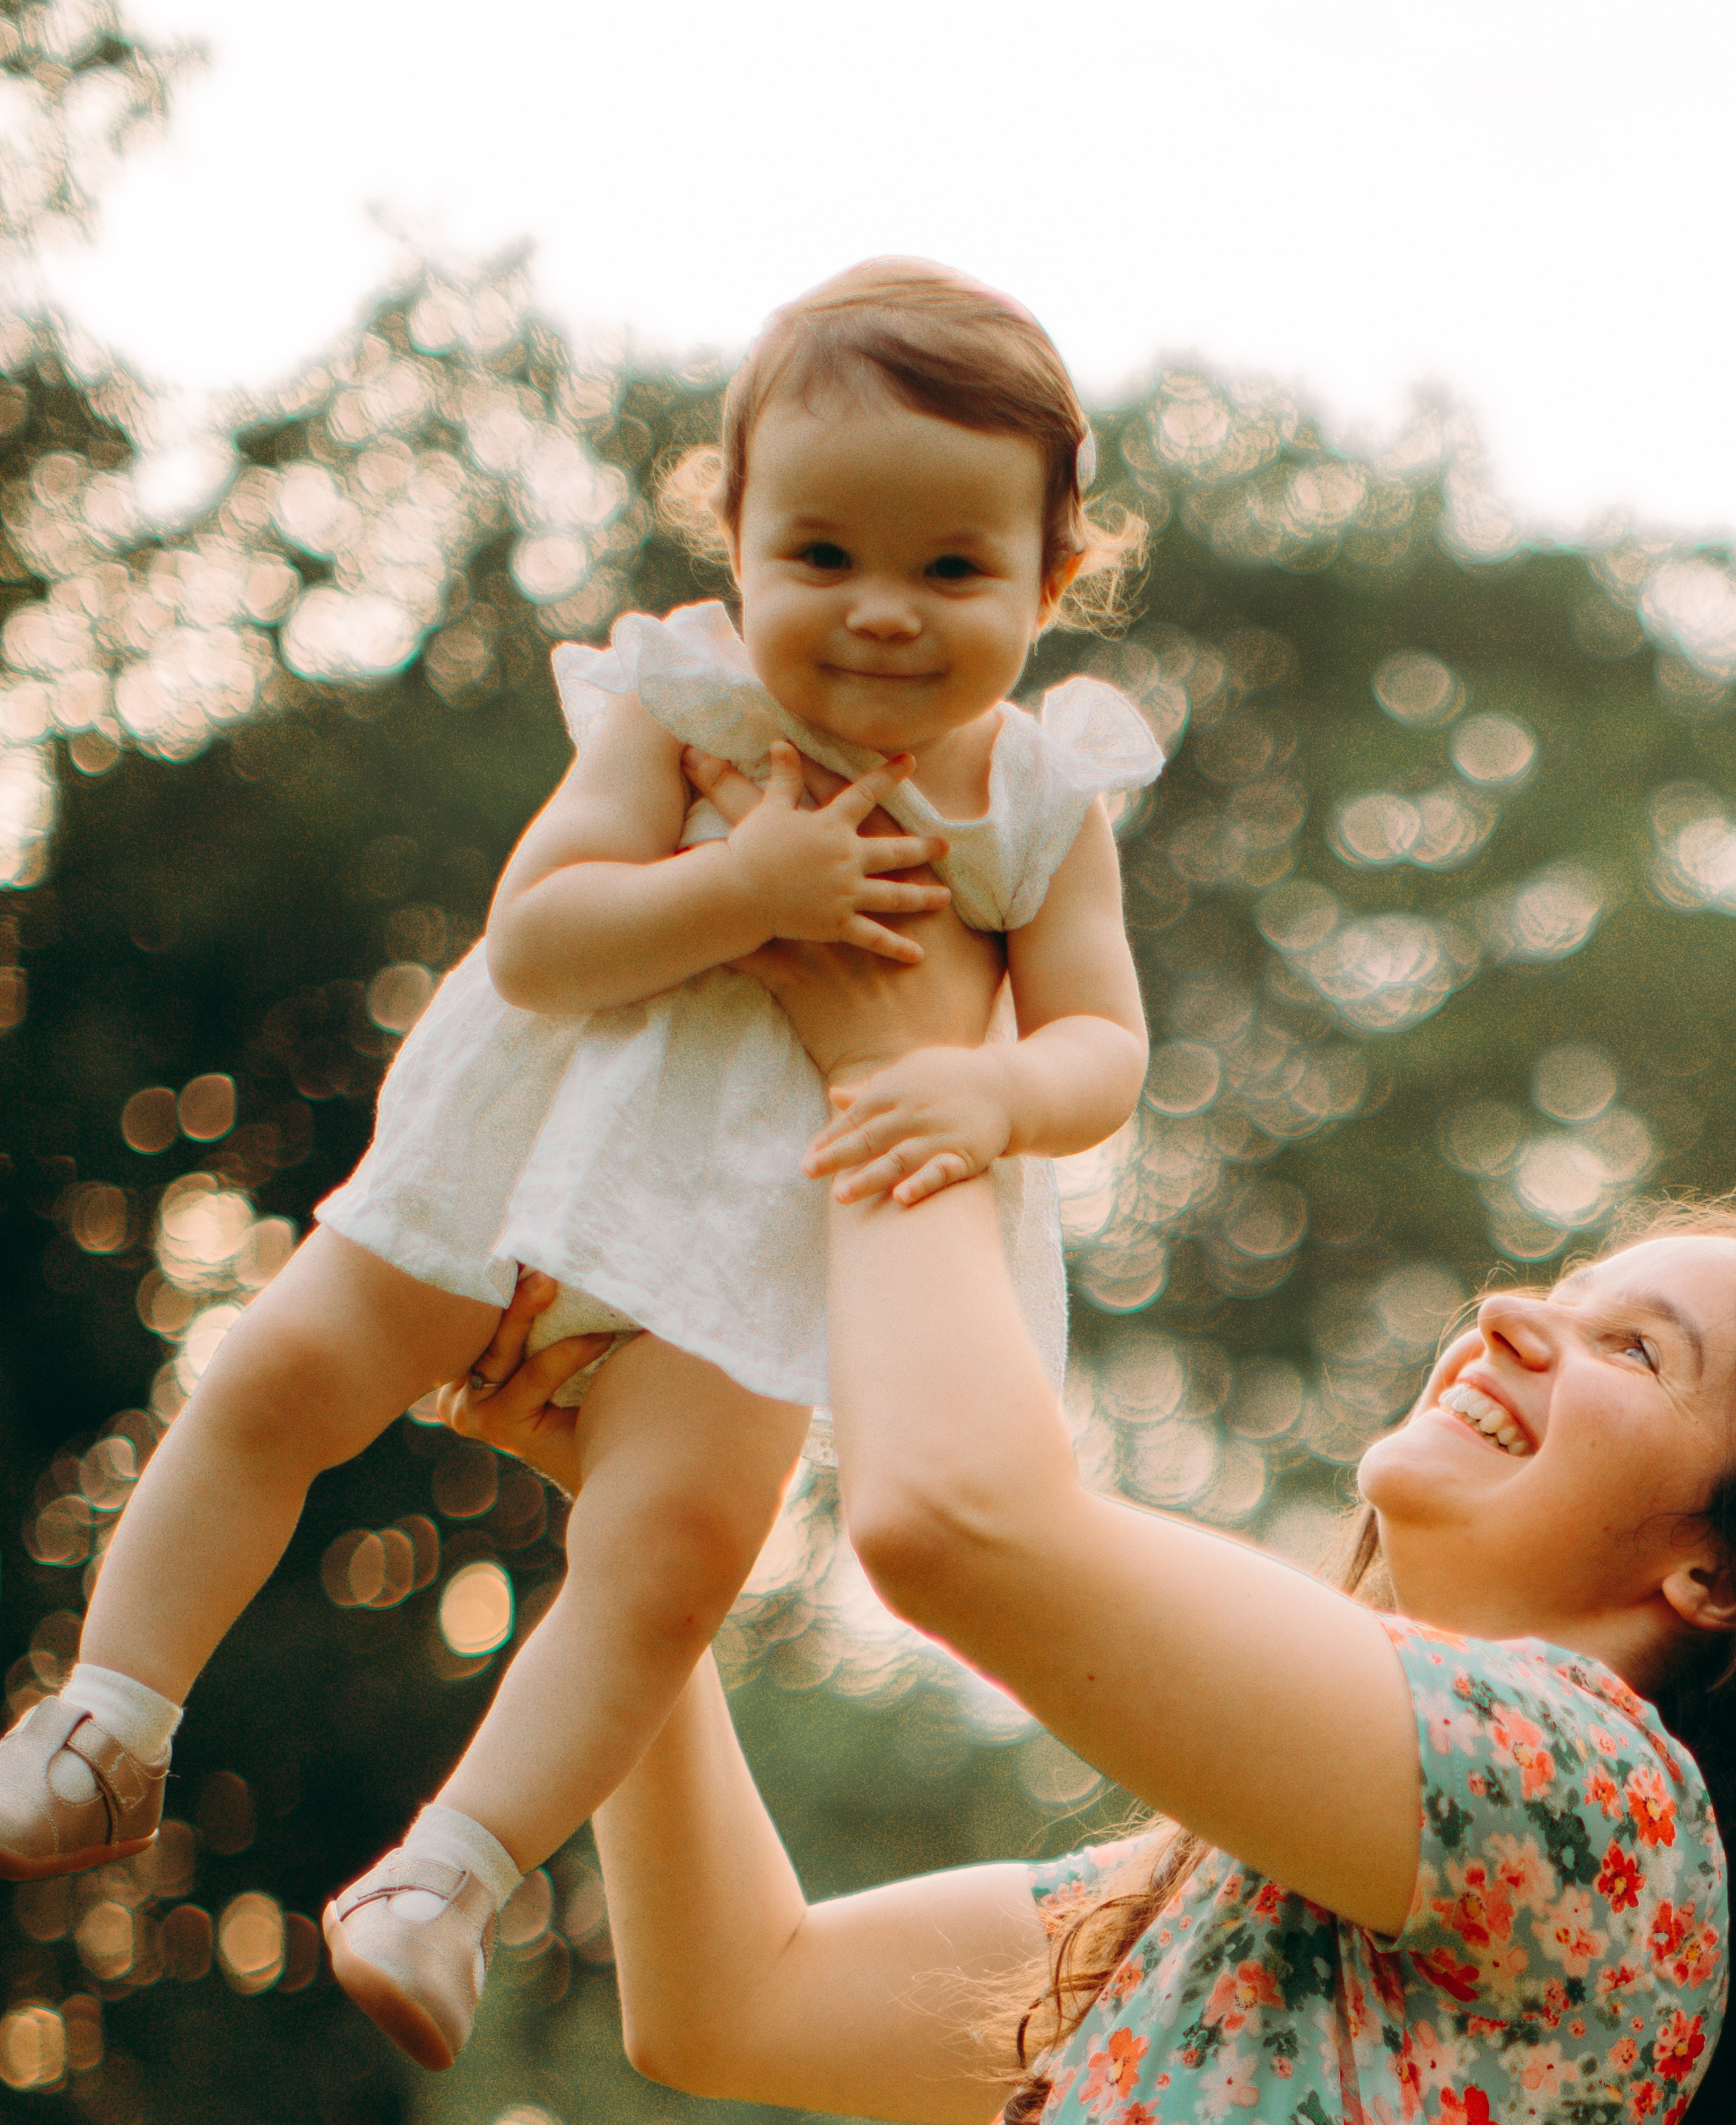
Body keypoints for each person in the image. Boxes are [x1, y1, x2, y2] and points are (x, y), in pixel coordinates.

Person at [0, 259, 1162, 2071]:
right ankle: (110, 1704)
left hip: (750, 1244)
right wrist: (741, 890)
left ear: (1054, 581)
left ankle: (452, 1871)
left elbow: (1105, 1044)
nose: (878, 614)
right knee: (282, 1374)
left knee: (673, 1557)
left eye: (953, 570)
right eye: (823, 555)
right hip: (525, 1159)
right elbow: (540, 934)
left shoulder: (1036, 796)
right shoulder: (683, 699)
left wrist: (995, 1100)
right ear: (737, 541)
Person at [443, 820, 1733, 2124]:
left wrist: (905, 1060)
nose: (1514, 1313)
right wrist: (632, 1511)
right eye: (1564, 1293)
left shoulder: (1601, 1813)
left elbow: (958, 1520)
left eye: (1634, 1351)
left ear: (1715, 1576)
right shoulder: (1224, 1896)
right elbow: (733, 1999)